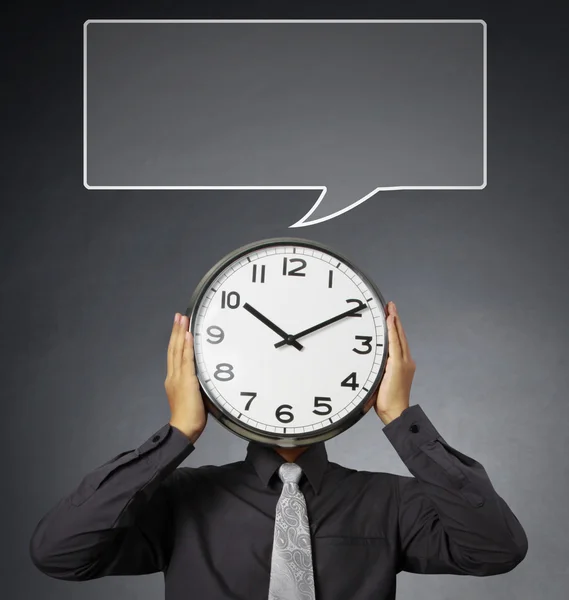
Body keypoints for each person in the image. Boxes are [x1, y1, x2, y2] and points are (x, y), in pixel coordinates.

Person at [29, 301, 528, 600]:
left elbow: (496, 550)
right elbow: (59, 555)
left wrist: (401, 419)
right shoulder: (180, 500)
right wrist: (179, 431)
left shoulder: (390, 503)